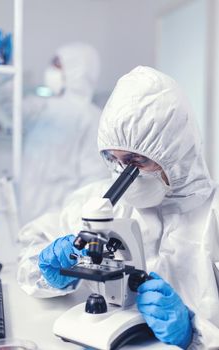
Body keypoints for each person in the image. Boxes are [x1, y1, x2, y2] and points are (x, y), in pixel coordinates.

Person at [17, 66, 219, 349]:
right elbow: (30, 250)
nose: (124, 173)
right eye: (114, 159)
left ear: (176, 152)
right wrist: (50, 272)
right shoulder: (98, 199)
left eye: (137, 161)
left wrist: (193, 333)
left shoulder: (213, 217)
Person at [20, 42, 108, 224]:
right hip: (27, 214)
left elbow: (94, 179)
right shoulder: (43, 108)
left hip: (60, 220)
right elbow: (11, 105)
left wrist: (75, 222)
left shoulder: (92, 118)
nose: (51, 71)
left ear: (76, 70)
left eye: (57, 66)